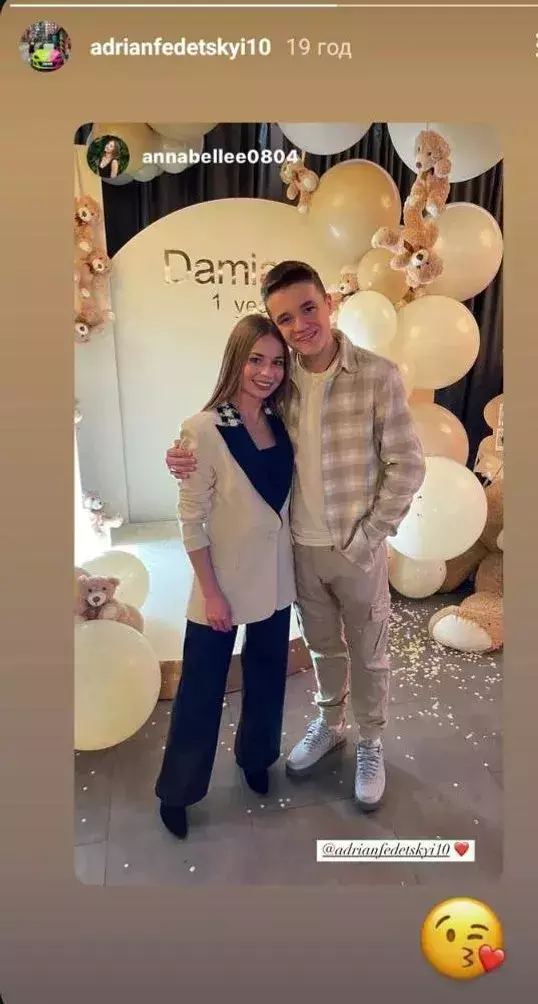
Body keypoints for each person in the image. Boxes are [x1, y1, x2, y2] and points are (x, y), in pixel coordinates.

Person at [166, 261, 426, 812]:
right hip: (297, 555)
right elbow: (225, 426)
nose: (299, 325)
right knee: (323, 647)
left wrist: (369, 537)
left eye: (308, 308)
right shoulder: (282, 387)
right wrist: (181, 454)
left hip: (356, 549)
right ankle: (331, 723)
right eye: (284, 319)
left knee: (370, 651)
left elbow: (407, 466)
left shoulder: (376, 375)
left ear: (328, 303)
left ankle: (370, 741)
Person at [156, 313, 296, 840]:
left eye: (277, 362)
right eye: (256, 359)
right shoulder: (203, 428)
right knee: (200, 688)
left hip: (275, 579)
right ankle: (178, 790)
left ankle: (256, 757)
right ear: (236, 360)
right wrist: (211, 593)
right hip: (222, 584)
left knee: (267, 677)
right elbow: (191, 520)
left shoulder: (282, 422)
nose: (267, 372)